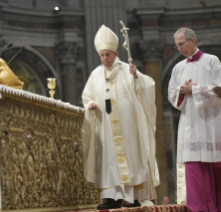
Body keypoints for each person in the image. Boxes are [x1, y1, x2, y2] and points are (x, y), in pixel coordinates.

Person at [81, 25, 160, 210]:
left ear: (116, 54)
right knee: (108, 161)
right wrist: (89, 104)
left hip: (127, 127)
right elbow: (87, 96)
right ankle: (111, 197)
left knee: (131, 158)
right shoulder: (95, 75)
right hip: (106, 127)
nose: (105, 58)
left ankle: (131, 196)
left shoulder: (127, 70)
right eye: (102, 55)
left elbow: (148, 87)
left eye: (108, 54)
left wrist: (137, 77)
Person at [168, 27, 221, 212]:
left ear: (192, 41)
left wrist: (195, 91)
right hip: (190, 124)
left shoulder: (211, 61)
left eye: (182, 44)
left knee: (217, 165)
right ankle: (198, 208)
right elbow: (172, 95)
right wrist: (182, 91)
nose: (180, 48)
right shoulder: (178, 68)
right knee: (194, 168)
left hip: (212, 124)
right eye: (177, 46)